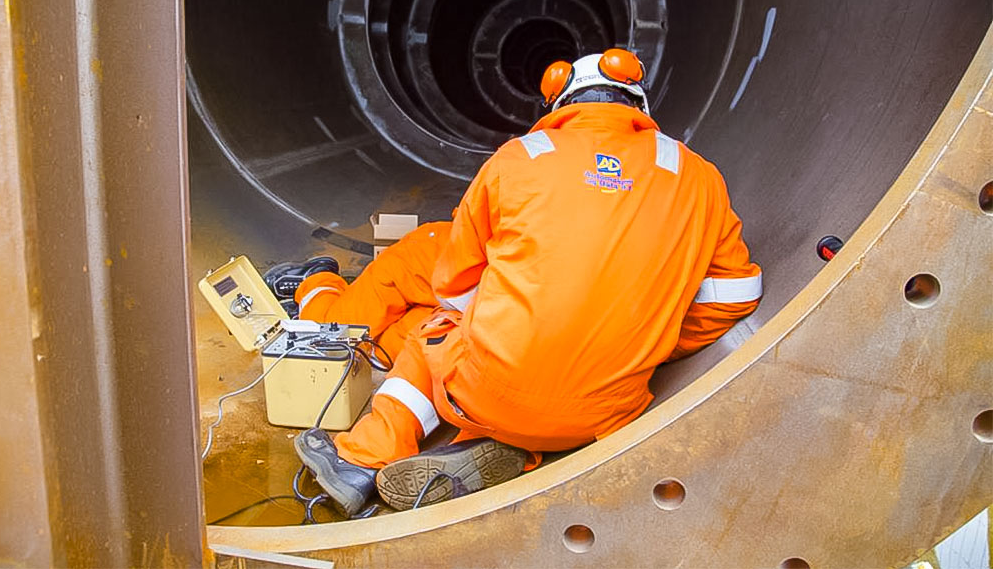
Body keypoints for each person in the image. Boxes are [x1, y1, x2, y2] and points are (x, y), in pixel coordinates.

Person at [292, 48, 763, 517]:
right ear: (639, 105)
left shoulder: (519, 158)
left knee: (432, 332)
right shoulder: (698, 176)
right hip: (607, 416)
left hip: (494, 393)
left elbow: (455, 290)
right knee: (478, 346)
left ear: (560, 106)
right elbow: (736, 294)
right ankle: (514, 447)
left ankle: (361, 457)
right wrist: (652, 341)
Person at [264, 221, 452, 360]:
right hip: (436, 264)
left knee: (383, 349)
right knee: (332, 337)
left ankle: (312, 311)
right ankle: (316, 283)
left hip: (452, 280)